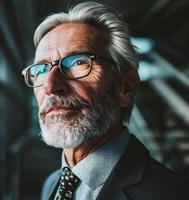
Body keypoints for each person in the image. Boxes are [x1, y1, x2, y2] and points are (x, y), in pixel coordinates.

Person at [21, 1, 188, 200]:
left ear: (126, 87)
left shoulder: (168, 194)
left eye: (79, 62)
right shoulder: (52, 183)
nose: (50, 85)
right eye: (40, 69)